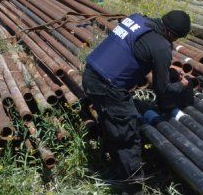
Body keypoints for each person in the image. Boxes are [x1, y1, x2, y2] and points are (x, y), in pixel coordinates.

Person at [82, 10, 193, 194]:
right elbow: (162, 91)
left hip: (91, 73)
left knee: (113, 125)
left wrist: (166, 67)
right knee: (128, 136)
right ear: (172, 34)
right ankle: (133, 188)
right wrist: (181, 85)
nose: (174, 43)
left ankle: (114, 163)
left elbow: (137, 51)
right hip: (109, 87)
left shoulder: (137, 19)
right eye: (176, 39)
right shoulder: (161, 46)